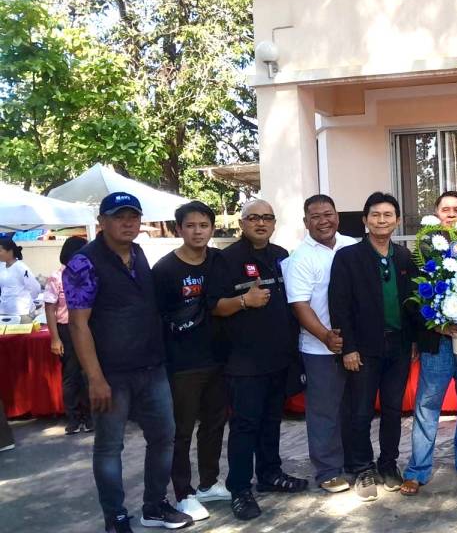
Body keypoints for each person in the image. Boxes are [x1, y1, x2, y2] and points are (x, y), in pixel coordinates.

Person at [64, 192, 192, 532]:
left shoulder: (138, 253)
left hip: (152, 367)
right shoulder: (83, 263)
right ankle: (116, 517)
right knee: (109, 447)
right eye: (119, 217)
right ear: (102, 222)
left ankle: (155, 506)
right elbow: (77, 324)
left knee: (164, 437)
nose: (127, 223)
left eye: (133, 217)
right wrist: (94, 378)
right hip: (111, 374)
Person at [209, 199, 308, 521]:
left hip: (278, 357)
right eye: (253, 218)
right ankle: (239, 488)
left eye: (267, 218)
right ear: (242, 224)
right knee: (245, 426)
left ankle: (270, 474)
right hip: (244, 362)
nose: (260, 223)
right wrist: (244, 300)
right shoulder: (226, 259)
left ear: (274, 223)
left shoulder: (281, 255)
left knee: (271, 421)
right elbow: (214, 307)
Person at [329, 192, 419, 502]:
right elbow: (339, 306)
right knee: (360, 411)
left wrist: (413, 341)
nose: (382, 220)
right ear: (365, 220)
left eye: (388, 215)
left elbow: (413, 303)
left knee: (393, 409)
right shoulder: (348, 257)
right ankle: (362, 468)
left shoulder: (404, 257)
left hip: (398, 346)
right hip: (362, 348)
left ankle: (388, 464)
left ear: (397, 220)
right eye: (375, 215)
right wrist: (348, 348)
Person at [401, 191, 457, 496]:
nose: (451, 214)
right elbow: (412, 299)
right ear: (437, 215)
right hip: (437, 342)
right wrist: (437, 323)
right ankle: (417, 470)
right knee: (427, 407)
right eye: (445, 210)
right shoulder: (423, 250)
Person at [152, 201, 231, 521]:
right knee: (181, 430)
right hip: (182, 363)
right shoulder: (165, 270)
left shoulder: (219, 260)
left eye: (204, 225)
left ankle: (208, 483)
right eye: (190, 225)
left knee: (214, 424)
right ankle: (183, 494)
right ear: (179, 229)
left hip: (218, 357)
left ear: (212, 228)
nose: (198, 231)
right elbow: (156, 318)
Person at [284, 194, 357, 495]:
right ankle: (328, 470)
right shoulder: (300, 258)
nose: (323, 221)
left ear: (337, 216)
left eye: (328, 214)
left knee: (353, 409)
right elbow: (300, 306)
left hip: (355, 345)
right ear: (306, 222)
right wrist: (326, 336)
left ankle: (355, 463)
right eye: (315, 216)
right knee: (325, 411)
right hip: (320, 348)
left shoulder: (352, 246)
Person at [43, 236, 92, 435]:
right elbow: (49, 309)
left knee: (88, 373)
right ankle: (73, 418)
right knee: (71, 376)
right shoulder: (56, 277)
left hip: (88, 329)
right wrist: (55, 338)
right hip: (66, 330)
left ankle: (90, 417)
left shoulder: (90, 275)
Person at [0, 238, 42, 322]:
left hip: (22, 314)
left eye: (0, 251)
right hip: (4, 313)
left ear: (10, 251)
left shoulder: (21, 268)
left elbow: (35, 288)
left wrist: (27, 301)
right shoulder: (1, 266)